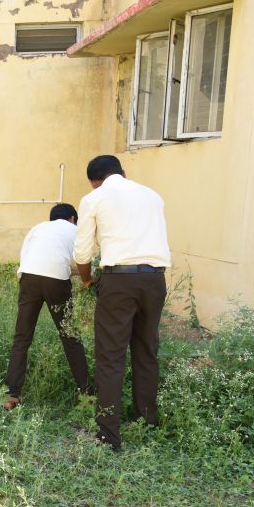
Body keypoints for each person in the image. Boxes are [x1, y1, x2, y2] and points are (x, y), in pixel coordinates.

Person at [74, 155, 171, 451]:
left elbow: (82, 253)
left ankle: (108, 436)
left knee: (110, 355)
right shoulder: (153, 196)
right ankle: (146, 420)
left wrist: (87, 279)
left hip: (118, 281)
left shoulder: (94, 198)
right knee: (146, 351)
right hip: (155, 279)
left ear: (94, 181)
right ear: (123, 173)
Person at [2, 203, 91, 410]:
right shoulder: (74, 230)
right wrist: (88, 279)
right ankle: (87, 394)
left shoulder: (38, 228)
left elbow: (25, 257)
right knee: (70, 336)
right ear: (72, 219)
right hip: (56, 280)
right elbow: (81, 260)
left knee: (22, 337)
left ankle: (12, 396)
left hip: (29, 278)